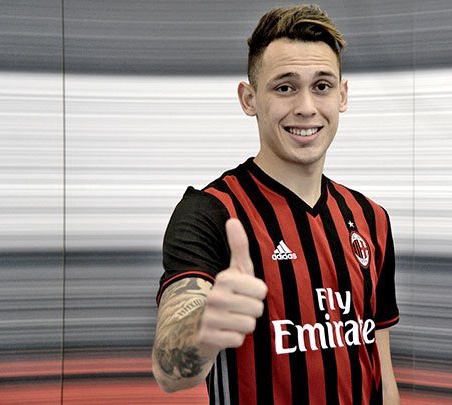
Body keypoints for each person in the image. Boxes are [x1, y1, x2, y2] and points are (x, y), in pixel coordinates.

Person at [152, 4, 400, 404]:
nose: (306, 107)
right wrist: (201, 333)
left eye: (322, 86)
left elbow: (381, 373)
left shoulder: (371, 219)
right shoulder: (211, 212)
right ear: (249, 99)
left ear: (342, 95)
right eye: (285, 88)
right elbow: (170, 369)